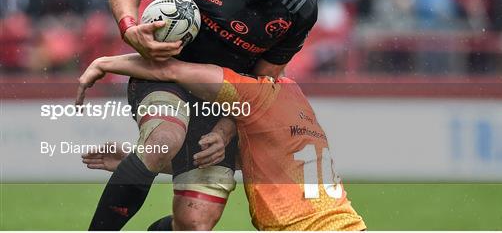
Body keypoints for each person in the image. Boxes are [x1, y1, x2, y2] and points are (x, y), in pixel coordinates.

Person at [91, 0, 317, 230]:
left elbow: (262, 82)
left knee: (193, 225)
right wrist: (129, 29)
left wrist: (226, 129)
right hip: (162, 77)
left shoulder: (300, 7)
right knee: (163, 141)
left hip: (221, 103)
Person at [77, 54, 367, 231]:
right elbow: (260, 162)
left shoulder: (253, 92)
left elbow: (170, 70)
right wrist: (139, 160)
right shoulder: (296, 97)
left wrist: (105, 64)